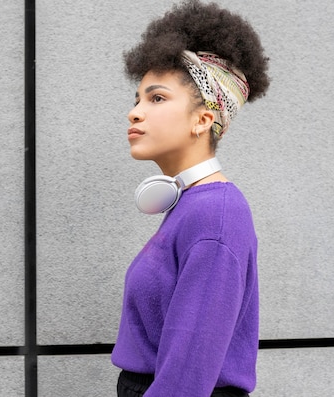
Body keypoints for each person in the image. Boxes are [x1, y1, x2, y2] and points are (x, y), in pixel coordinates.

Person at [111, 1, 270, 396]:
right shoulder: (191, 205)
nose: (135, 113)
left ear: (203, 119)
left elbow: (187, 375)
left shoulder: (215, 215)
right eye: (137, 99)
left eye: (157, 98)